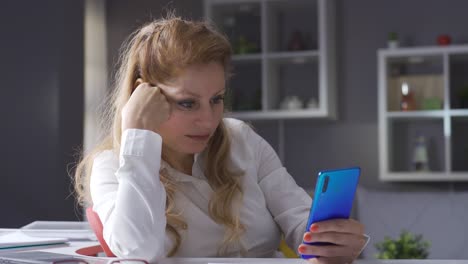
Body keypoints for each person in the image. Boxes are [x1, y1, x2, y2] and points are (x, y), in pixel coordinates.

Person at [74, 15, 367, 264]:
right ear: (143, 97)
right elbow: (137, 251)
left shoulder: (242, 140)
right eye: (187, 103)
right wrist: (138, 136)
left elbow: (299, 218)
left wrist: (330, 244)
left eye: (216, 99)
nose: (209, 120)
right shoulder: (111, 166)